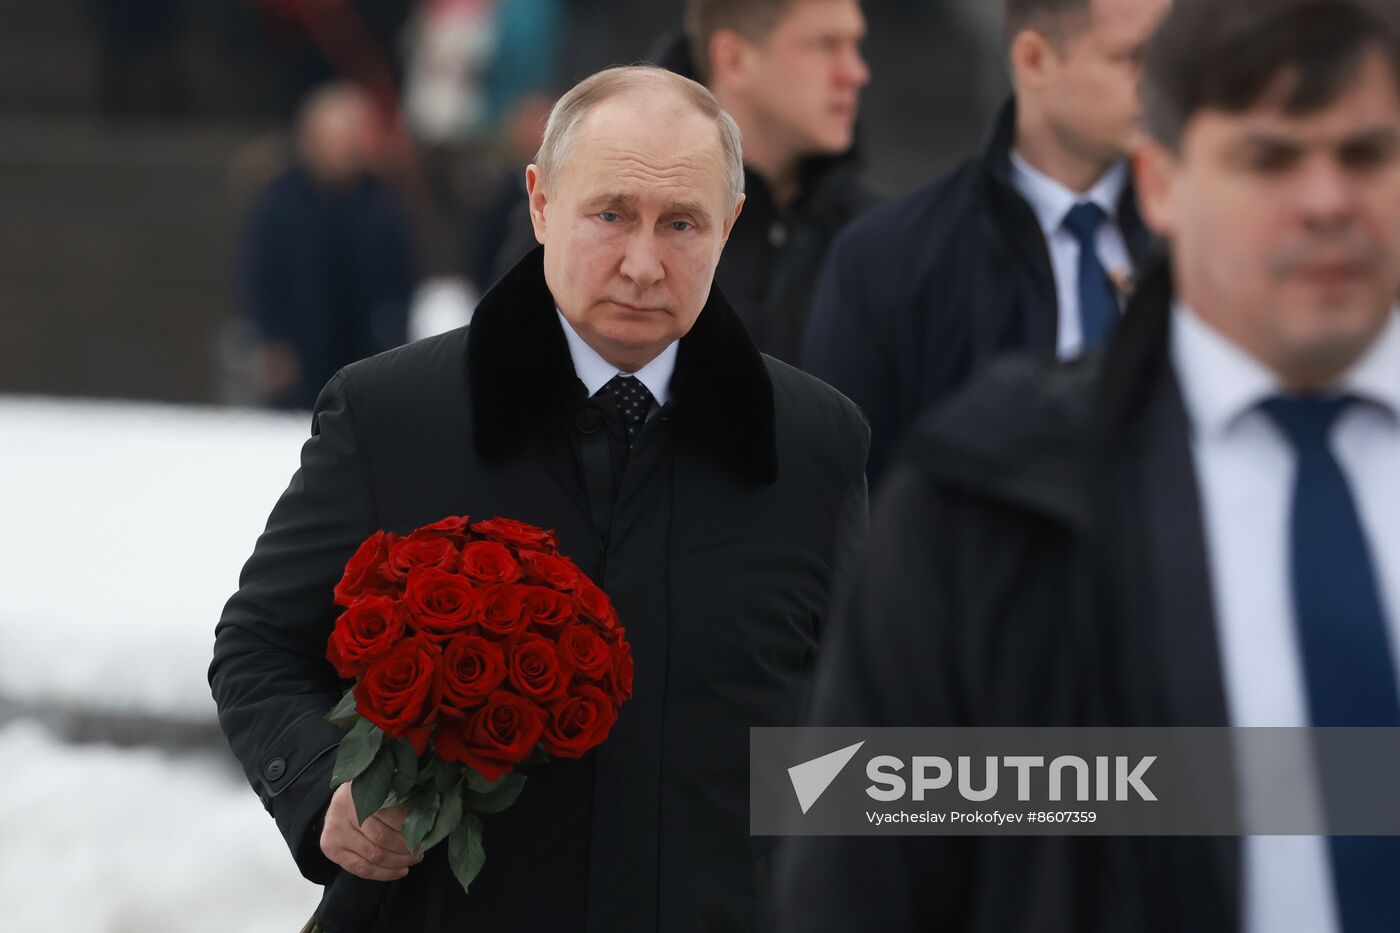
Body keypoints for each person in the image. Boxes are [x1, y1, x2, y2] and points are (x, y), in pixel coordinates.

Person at [778, 0, 1400, 930]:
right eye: (1268, 158)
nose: (1326, 201)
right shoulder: (983, 500)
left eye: (1365, 155)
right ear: (1159, 183)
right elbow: (858, 866)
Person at [212, 65, 869, 933]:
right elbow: (258, 645)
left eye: (681, 223)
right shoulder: (392, 412)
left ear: (731, 225)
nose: (642, 262)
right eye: (611, 214)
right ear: (541, 201)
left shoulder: (816, 441)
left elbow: (858, 715)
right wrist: (329, 782)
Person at [803, 0, 1168, 488]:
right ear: (1034, 60)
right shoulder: (889, 257)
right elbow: (840, 493)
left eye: (1166, 57)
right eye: (1131, 57)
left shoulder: (1204, 241)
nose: (1160, 82)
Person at [494, 0, 879, 365]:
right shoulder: (579, 194)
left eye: (681, 224)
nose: (855, 72)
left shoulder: (877, 233)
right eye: (824, 46)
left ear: (728, 222)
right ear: (733, 58)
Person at [239, 83, 417, 411]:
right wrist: (271, 340)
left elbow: (399, 285)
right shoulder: (279, 205)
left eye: (352, 137)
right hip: (297, 368)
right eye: (336, 137)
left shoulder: (382, 207)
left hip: (365, 366)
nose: (346, 148)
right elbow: (260, 278)